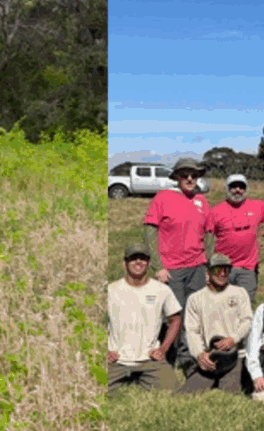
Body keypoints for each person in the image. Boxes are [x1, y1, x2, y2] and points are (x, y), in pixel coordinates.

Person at [106, 247, 183, 390]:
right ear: (125, 263)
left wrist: (163, 349)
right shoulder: (111, 290)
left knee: (174, 391)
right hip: (116, 360)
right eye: (133, 258)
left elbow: (176, 319)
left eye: (143, 259)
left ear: (149, 263)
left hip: (150, 359)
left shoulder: (162, 290)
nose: (138, 262)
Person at [179, 255, 253, 396]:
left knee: (229, 394)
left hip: (234, 355)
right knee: (186, 394)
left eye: (226, 270)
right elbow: (192, 331)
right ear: (208, 271)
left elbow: (247, 320)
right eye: (218, 269)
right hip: (210, 355)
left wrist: (233, 338)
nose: (223, 273)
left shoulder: (239, 293)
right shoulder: (195, 299)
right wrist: (200, 354)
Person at [143, 159, 212, 305]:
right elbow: (150, 232)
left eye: (194, 175)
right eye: (184, 175)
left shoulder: (202, 200)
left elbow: (209, 234)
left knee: (196, 310)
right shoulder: (162, 197)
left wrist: (209, 267)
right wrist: (158, 266)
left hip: (198, 266)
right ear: (177, 178)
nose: (189, 179)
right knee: (174, 313)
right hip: (171, 269)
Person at [204, 174, 264, 295]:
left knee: (246, 303)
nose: (237, 190)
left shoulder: (258, 206)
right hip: (223, 266)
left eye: (241, 187)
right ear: (227, 189)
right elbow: (207, 239)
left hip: (248, 268)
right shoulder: (216, 211)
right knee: (222, 302)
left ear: (246, 189)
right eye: (233, 187)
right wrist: (208, 267)